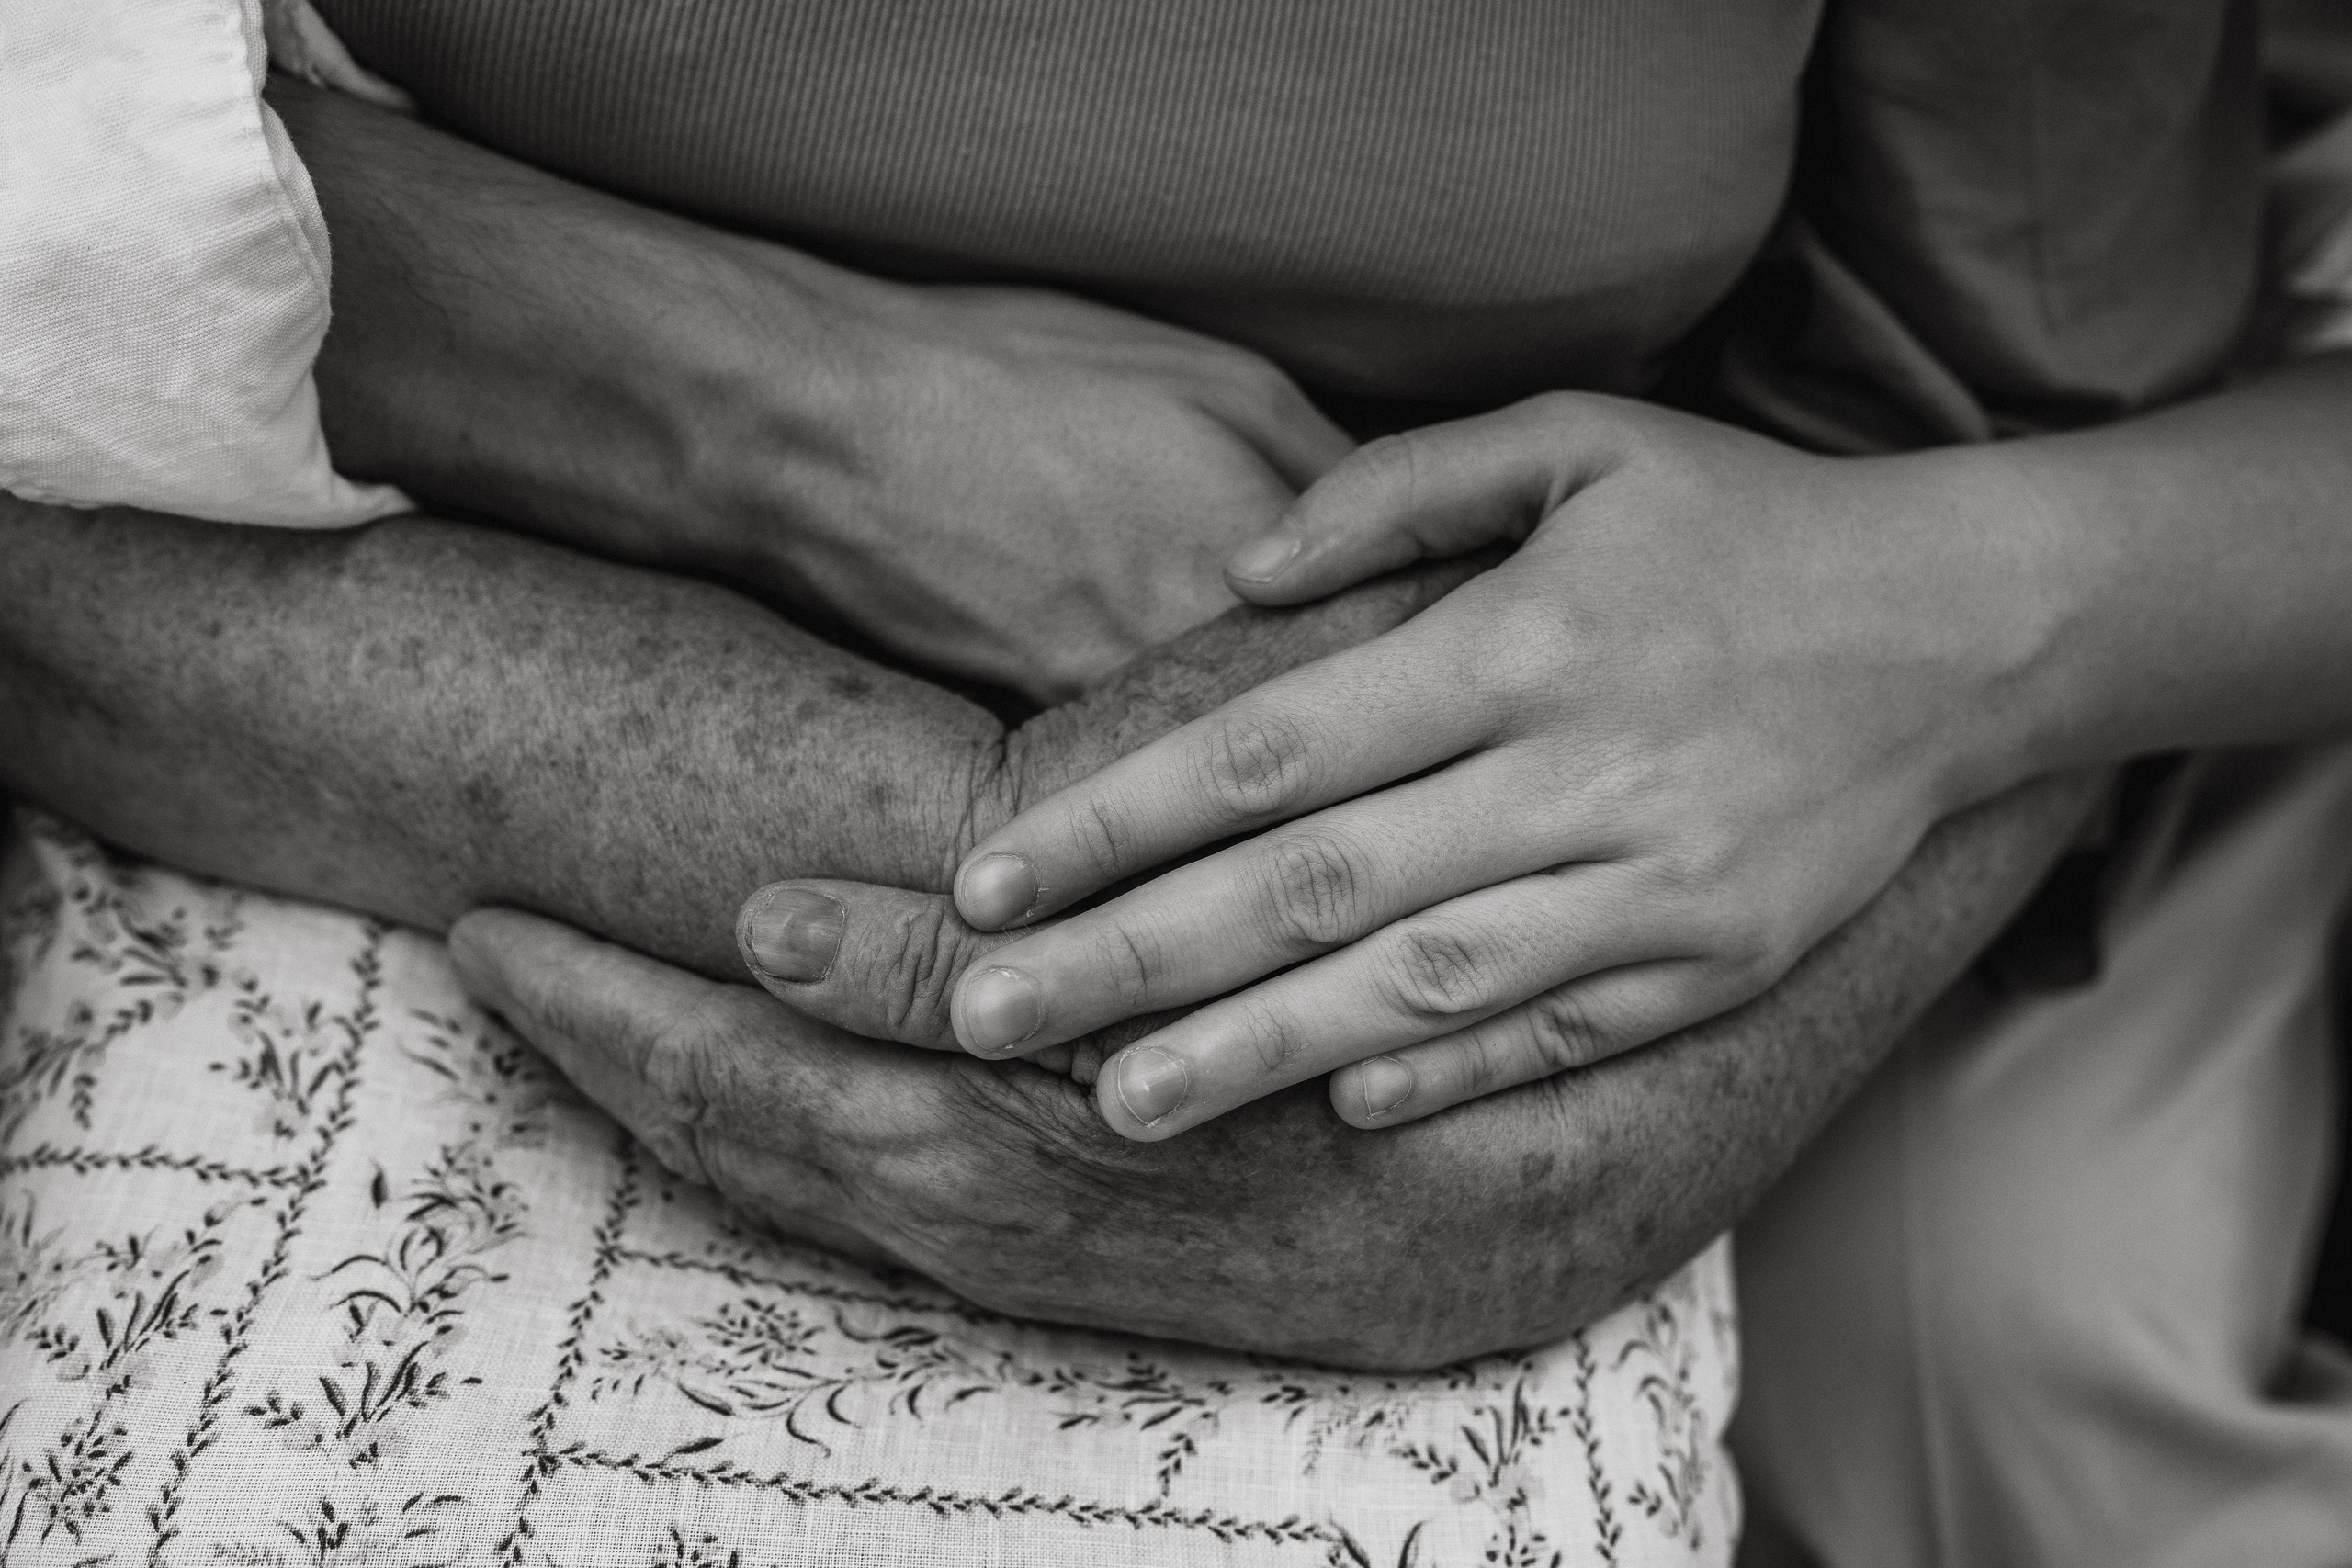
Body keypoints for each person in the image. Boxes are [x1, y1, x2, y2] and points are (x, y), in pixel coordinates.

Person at [1, 1, 2332, 1564]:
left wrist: (1852, 790)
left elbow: (2014, 392)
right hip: (239, 506)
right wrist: (765, 413)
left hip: (1542, 662)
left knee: (2036, 1383)